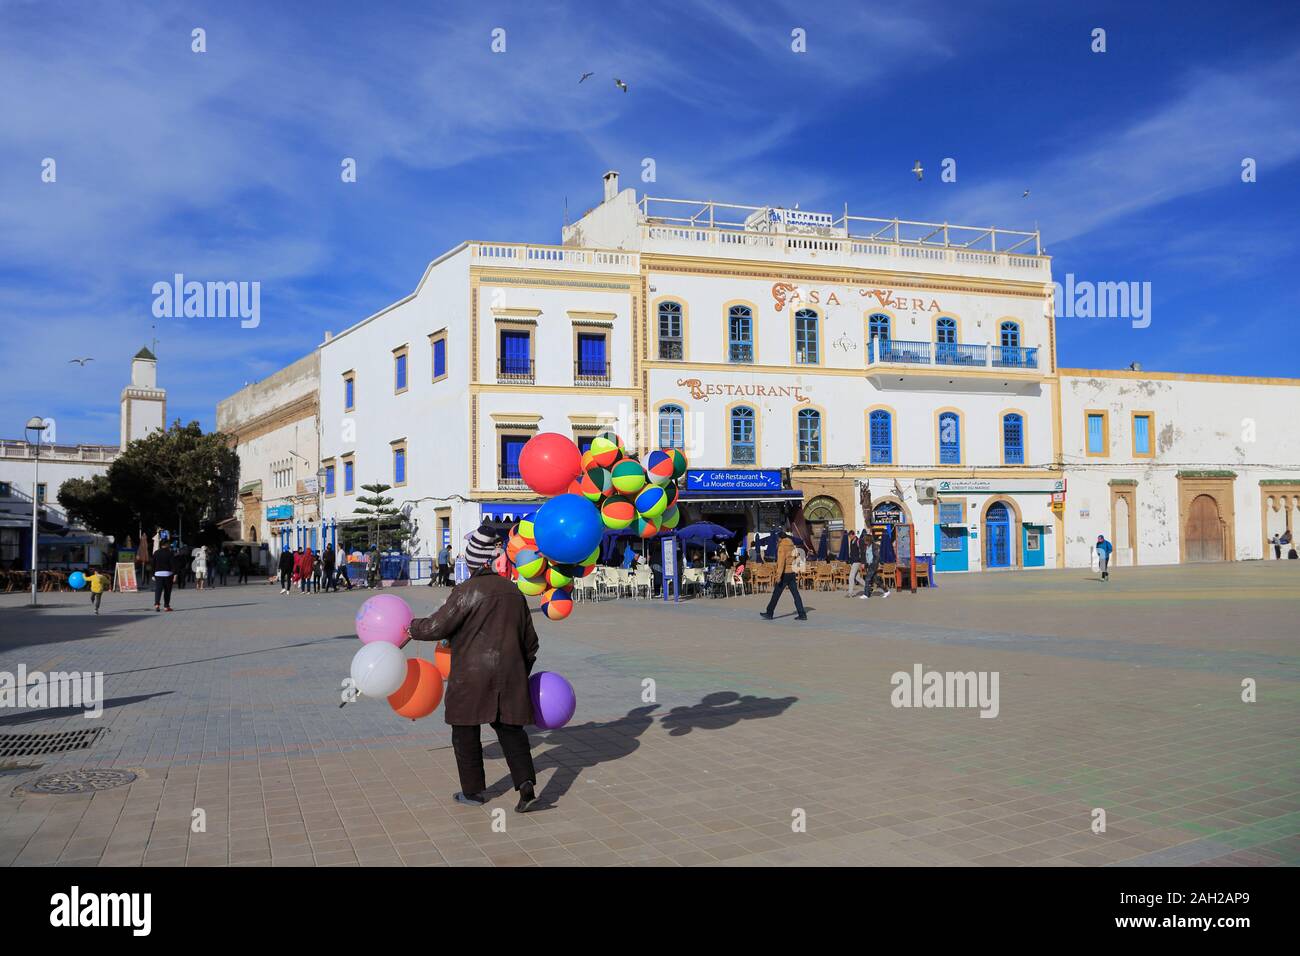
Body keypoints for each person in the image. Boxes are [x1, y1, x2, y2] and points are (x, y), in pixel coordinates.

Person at [404, 525, 540, 811]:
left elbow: (437, 625)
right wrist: (519, 672)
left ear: (475, 562)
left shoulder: (465, 591)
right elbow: (531, 642)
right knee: (511, 731)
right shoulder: (514, 592)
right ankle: (526, 784)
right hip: (509, 676)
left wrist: (411, 627)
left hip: (472, 676)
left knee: (465, 733)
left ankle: (474, 792)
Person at [760, 529, 807, 621]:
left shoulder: (782, 546)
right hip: (791, 573)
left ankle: (769, 613)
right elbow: (797, 557)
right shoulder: (792, 545)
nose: (777, 540)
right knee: (796, 594)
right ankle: (802, 614)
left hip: (784, 574)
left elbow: (781, 563)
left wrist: (778, 576)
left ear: (780, 538)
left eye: (777, 538)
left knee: (776, 594)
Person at [152, 534, 175, 612]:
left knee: (158, 590)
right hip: (168, 574)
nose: (169, 545)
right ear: (166, 544)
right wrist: (175, 574)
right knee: (167, 591)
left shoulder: (156, 553)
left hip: (158, 574)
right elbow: (173, 564)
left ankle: (157, 605)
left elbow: (153, 564)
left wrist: (152, 574)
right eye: (168, 543)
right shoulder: (170, 553)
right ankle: (166, 606)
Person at [845, 530, 863, 596]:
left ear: (853, 535)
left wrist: (862, 561)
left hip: (857, 561)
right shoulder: (851, 541)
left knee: (851, 577)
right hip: (853, 562)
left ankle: (850, 592)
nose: (850, 537)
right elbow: (851, 552)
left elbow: (862, 551)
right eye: (849, 536)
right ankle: (868, 587)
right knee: (857, 578)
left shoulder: (858, 541)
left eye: (850, 536)